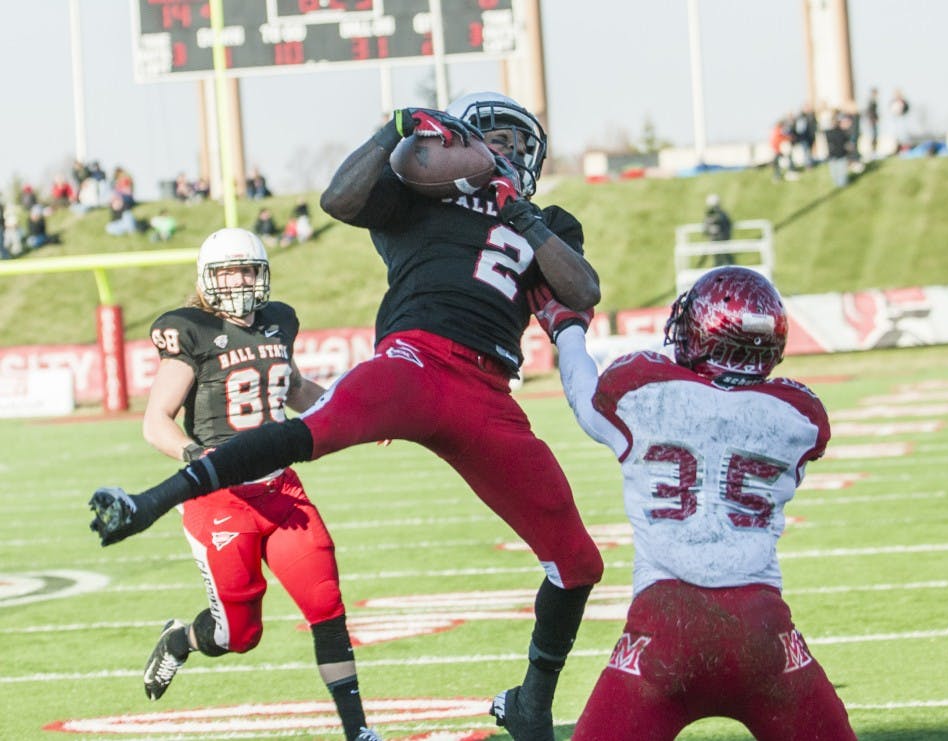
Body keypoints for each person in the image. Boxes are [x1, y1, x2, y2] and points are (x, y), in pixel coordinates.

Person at [87, 92, 605, 741]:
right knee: (308, 434)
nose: (508, 149)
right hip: (413, 358)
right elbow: (340, 198)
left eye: (518, 142)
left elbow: (582, 288)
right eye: (494, 136)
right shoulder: (420, 195)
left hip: (490, 392)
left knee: (580, 561)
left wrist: (523, 216)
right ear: (455, 142)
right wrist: (393, 126)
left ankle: (532, 701)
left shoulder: (548, 218)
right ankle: (147, 502)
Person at [526, 266, 856, 740]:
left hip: (662, 628)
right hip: (761, 632)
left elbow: (584, 396)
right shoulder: (800, 417)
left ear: (703, 328)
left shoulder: (641, 388)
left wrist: (567, 328)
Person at [137, 227, 381, 741]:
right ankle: (180, 640)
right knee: (238, 635)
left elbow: (292, 386)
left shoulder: (276, 323)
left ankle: (358, 731)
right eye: (227, 271)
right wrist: (194, 455)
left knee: (326, 605)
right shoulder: (190, 332)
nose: (238, 281)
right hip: (219, 498)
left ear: (262, 274)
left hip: (280, 490)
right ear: (207, 279)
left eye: (246, 269)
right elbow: (156, 419)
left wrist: (357, 416)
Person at [701, 193, 733, 266]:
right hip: (715, 239)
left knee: (726, 257)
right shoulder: (710, 215)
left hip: (722, 239)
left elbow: (727, 224)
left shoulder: (721, 214)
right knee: (718, 258)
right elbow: (705, 228)